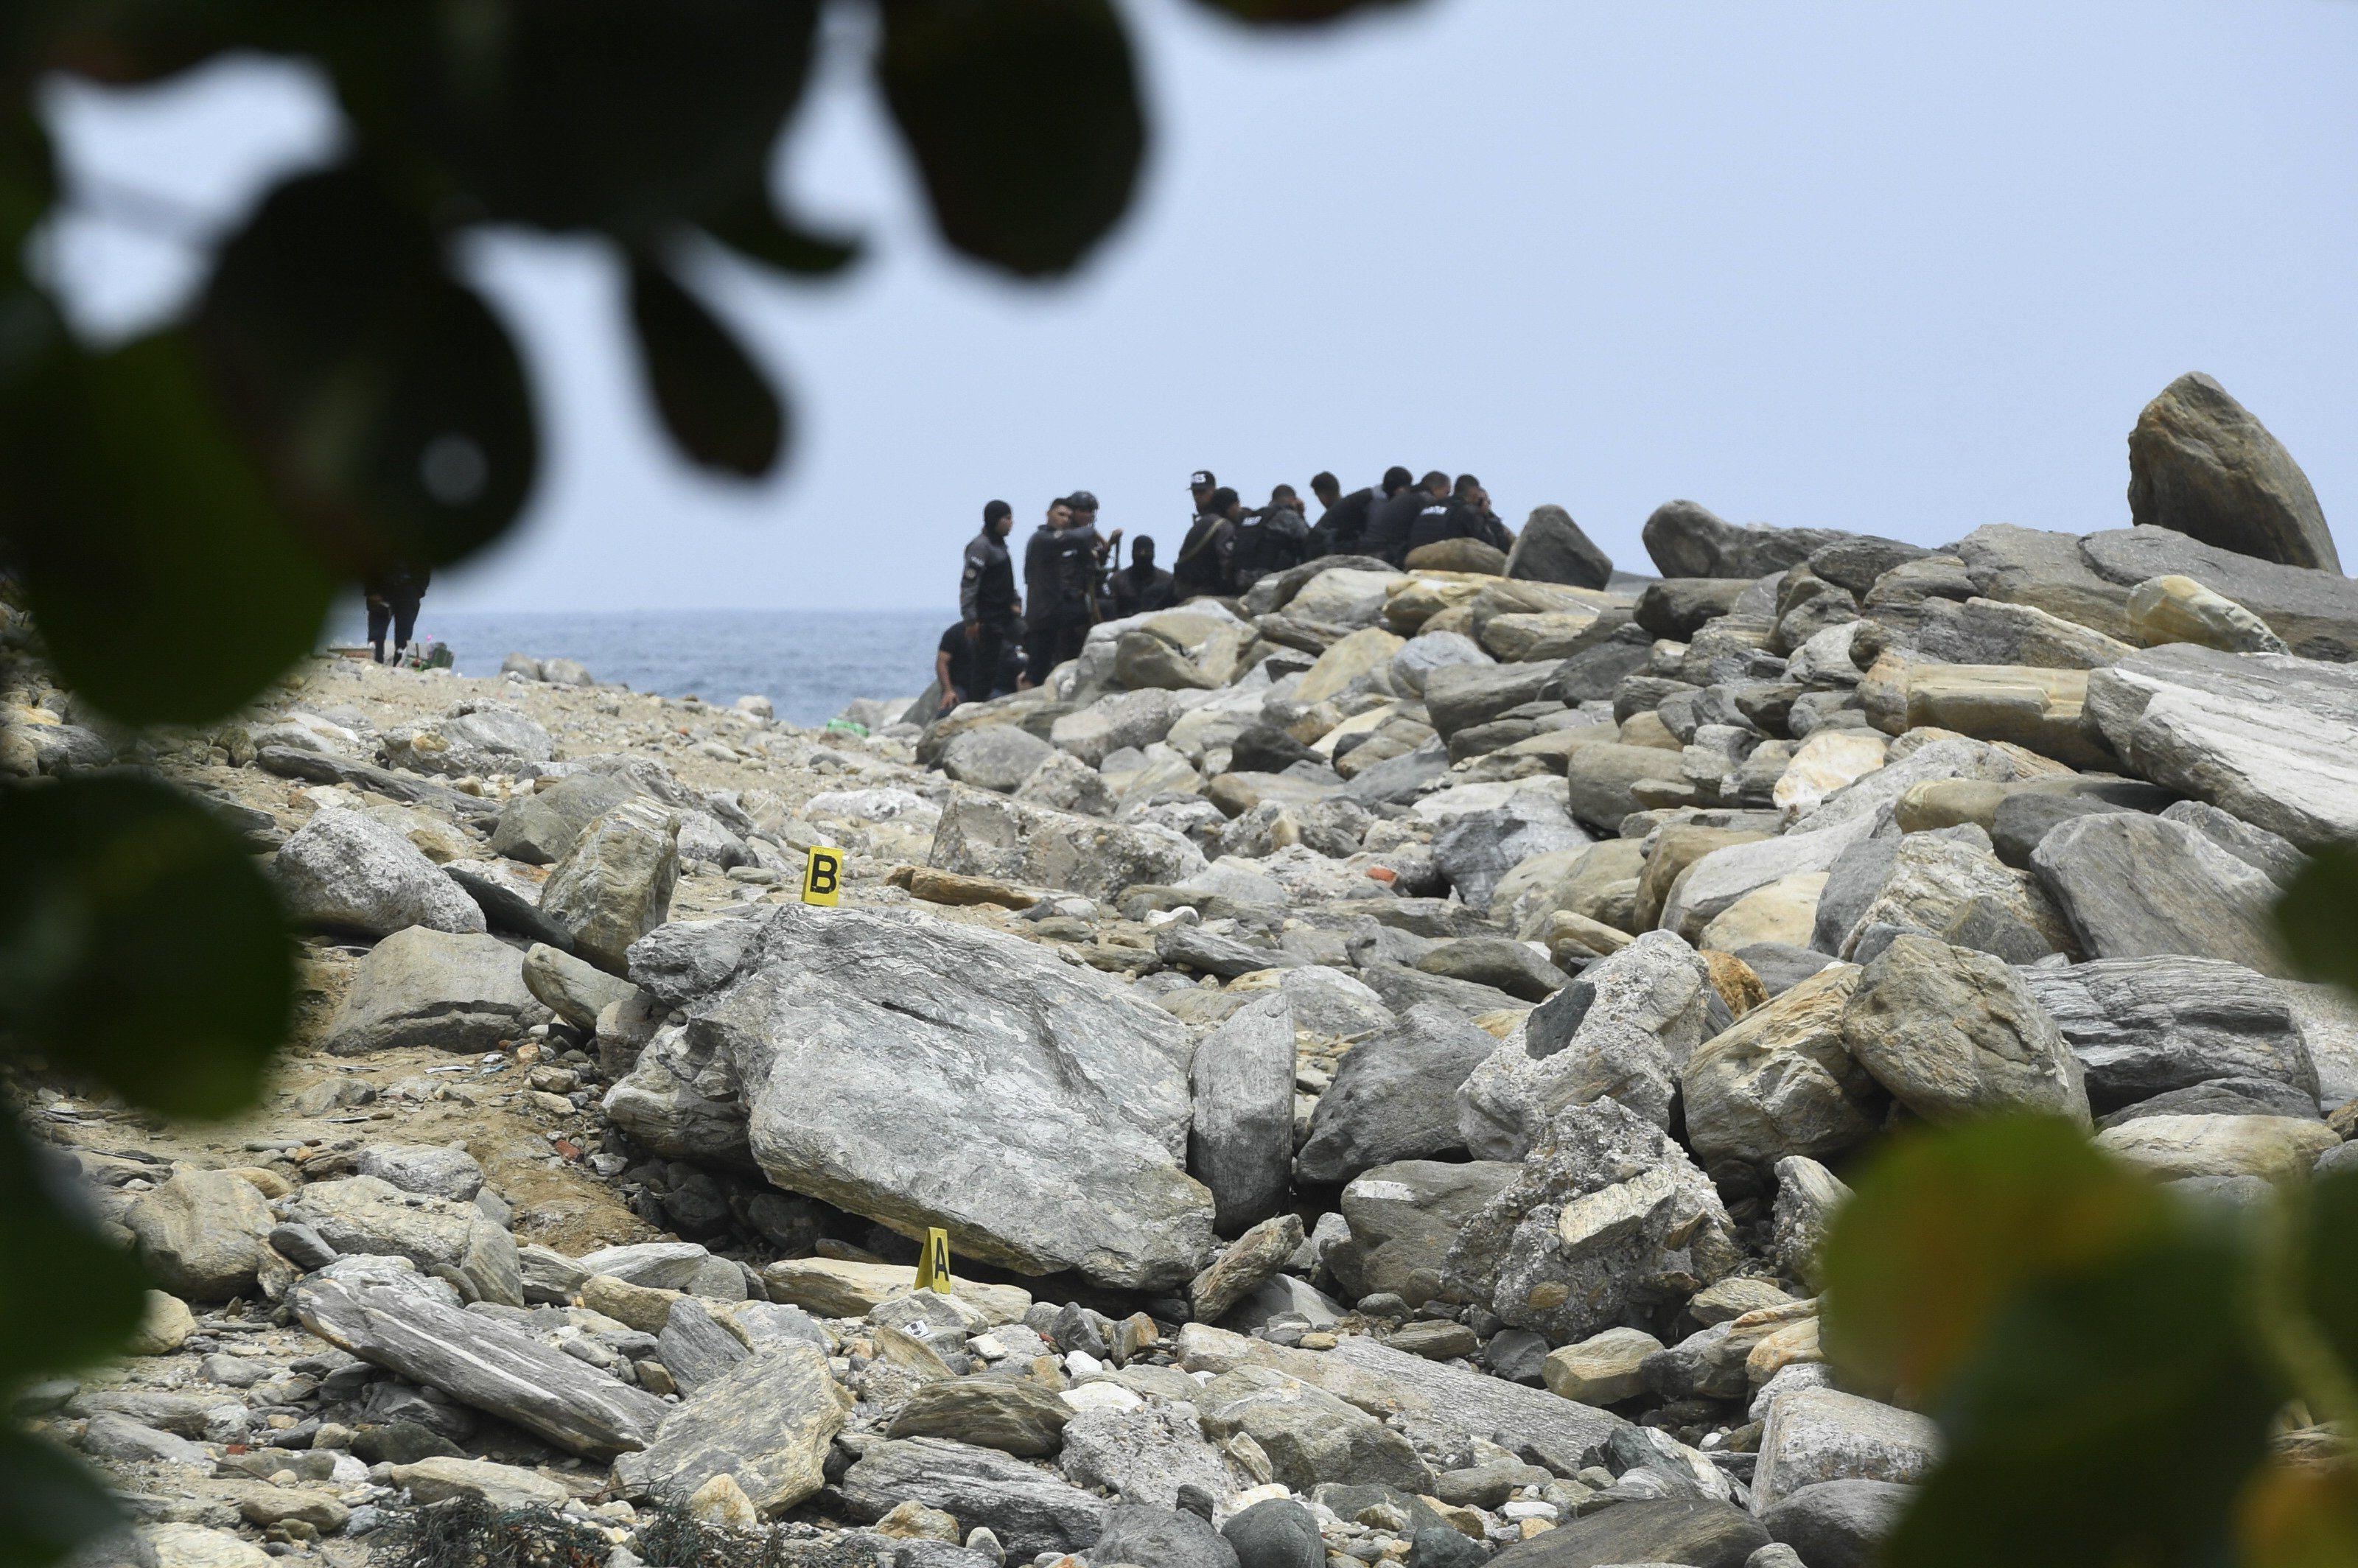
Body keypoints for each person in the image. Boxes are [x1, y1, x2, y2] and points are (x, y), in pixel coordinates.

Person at [959, 499, 1022, 699]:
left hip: (1006, 615)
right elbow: (969, 585)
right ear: (995, 519)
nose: (1011, 523)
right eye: (1007, 518)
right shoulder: (980, 546)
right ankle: (974, 708)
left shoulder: (1000, 545)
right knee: (984, 670)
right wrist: (971, 620)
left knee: (1032, 641)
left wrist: (1016, 602)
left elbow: (1006, 581)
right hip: (987, 619)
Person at [1407, 472, 1516, 556]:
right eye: (1483, 499)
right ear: (1475, 494)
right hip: (1444, 557)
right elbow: (1491, 548)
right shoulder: (1468, 511)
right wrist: (1485, 516)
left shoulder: (1430, 505)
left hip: (1415, 554)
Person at [1229, 483, 1311, 590]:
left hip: (1240, 579)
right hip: (1268, 580)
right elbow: (1311, 539)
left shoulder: (1252, 517)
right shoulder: (1288, 515)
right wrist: (1301, 515)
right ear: (1293, 500)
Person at [1363, 468, 1447, 567]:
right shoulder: (1425, 500)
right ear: (1436, 488)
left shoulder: (1406, 496)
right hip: (1385, 554)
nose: (1447, 497)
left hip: (1369, 549)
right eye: (1446, 492)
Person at [1173, 485, 1243, 600]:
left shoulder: (1203, 521)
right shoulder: (1224, 526)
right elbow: (1227, 562)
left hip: (1182, 587)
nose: (1239, 509)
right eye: (1237, 505)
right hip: (1201, 590)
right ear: (1229, 507)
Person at [364, 561, 430, 665]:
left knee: (403, 640)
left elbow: (425, 564)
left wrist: (418, 590)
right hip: (381, 589)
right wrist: (371, 590)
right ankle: (374, 665)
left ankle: (398, 666)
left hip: (409, 591)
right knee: (376, 637)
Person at [1105, 535, 1175, 617]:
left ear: (1153, 553)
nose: (1142, 554)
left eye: (1147, 551)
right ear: (1132, 553)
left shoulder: (1167, 580)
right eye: (1138, 550)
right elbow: (1109, 610)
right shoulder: (1118, 580)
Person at [934, 619, 993, 715]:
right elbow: (942, 663)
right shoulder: (954, 633)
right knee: (947, 712)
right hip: (960, 686)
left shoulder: (996, 633)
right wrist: (948, 691)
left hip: (989, 685)